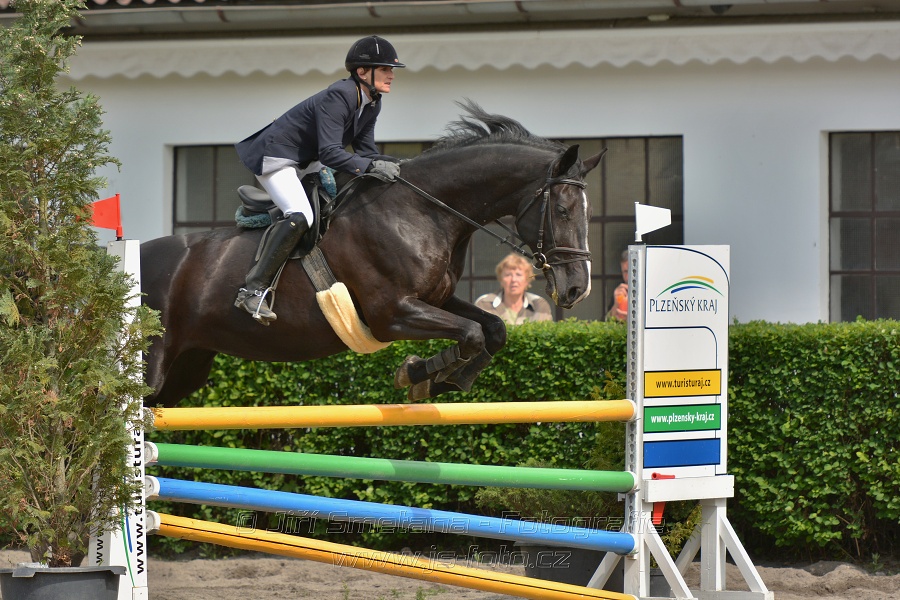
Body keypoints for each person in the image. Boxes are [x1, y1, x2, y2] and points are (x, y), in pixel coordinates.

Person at [233, 35, 405, 324]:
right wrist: (372, 165)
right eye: (385, 68)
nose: (391, 75)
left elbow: (366, 151)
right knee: (300, 217)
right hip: (278, 159)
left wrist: (399, 165)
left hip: (308, 163)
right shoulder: (341, 95)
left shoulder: (372, 102)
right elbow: (332, 152)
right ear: (363, 72)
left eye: (392, 70)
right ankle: (252, 290)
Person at [475, 253, 554, 325]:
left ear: (527, 280)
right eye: (508, 275)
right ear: (501, 279)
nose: (513, 280)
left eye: (518, 275)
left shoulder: (540, 305)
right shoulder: (484, 303)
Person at [606, 249, 629, 322]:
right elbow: (607, 323)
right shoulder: (621, 291)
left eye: (633, 271)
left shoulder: (649, 290)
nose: (628, 276)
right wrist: (616, 305)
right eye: (625, 272)